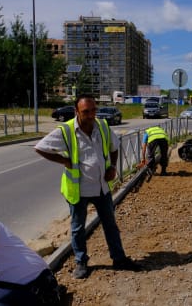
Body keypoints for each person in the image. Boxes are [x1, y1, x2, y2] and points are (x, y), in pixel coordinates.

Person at [34, 95, 140, 279]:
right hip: (79, 189)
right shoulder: (66, 131)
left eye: (93, 110)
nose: (91, 115)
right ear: (77, 112)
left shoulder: (103, 127)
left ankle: (119, 258)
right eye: (86, 111)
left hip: (101, 188)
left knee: (110, 225)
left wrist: (113, 167)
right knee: (77, 228)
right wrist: (64, 160)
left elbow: (114, 148)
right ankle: (81, 263)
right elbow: (40, 147)